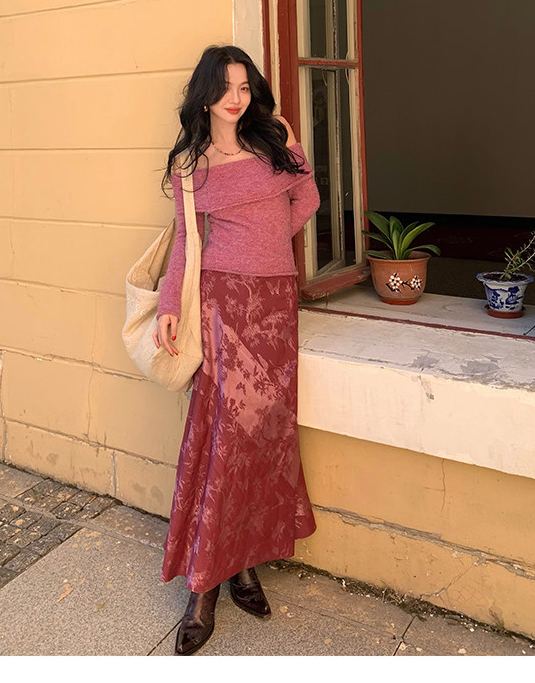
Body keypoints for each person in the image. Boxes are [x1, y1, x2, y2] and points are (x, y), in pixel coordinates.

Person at [153, 44, 321, 656]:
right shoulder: (191, 164)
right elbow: (184, 243)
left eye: (245, 87)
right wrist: (170, 304)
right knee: (223, 437)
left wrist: (266, 240)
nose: (236, 97)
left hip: (275, 307)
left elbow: (307, 201)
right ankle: (203, 587)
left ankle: (244, 563)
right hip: (221, 305)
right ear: (204, 95)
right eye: (225, 87)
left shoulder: (273, 146)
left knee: (261, 437)